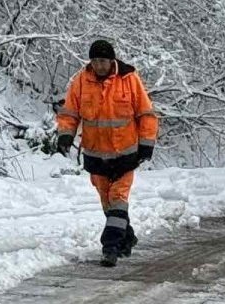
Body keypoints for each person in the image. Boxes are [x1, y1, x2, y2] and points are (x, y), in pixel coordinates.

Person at [55, 39, 159, 267]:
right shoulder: (81, 82)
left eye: (102, 61)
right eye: (94, 61)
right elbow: (70, 113)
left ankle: (109, 248)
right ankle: (127, 236)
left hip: (125, 155)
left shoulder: (129, 80)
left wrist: (147, 143)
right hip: (96, 156)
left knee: (118, 200)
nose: (98, 65)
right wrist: (65, 134)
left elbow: (146, 113)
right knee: (108, 205)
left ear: (111, 60)